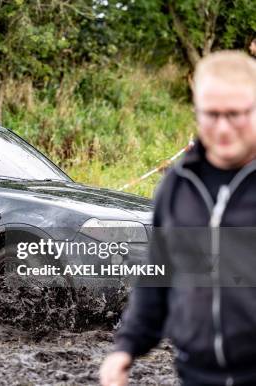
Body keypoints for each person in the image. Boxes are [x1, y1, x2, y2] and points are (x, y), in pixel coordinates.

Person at [100, 51, 256, 386]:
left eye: (236, 114)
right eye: (211, 114)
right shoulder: (177, 185)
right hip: (195, 374)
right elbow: (158, 273)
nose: (223, 128)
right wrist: (125, 347)